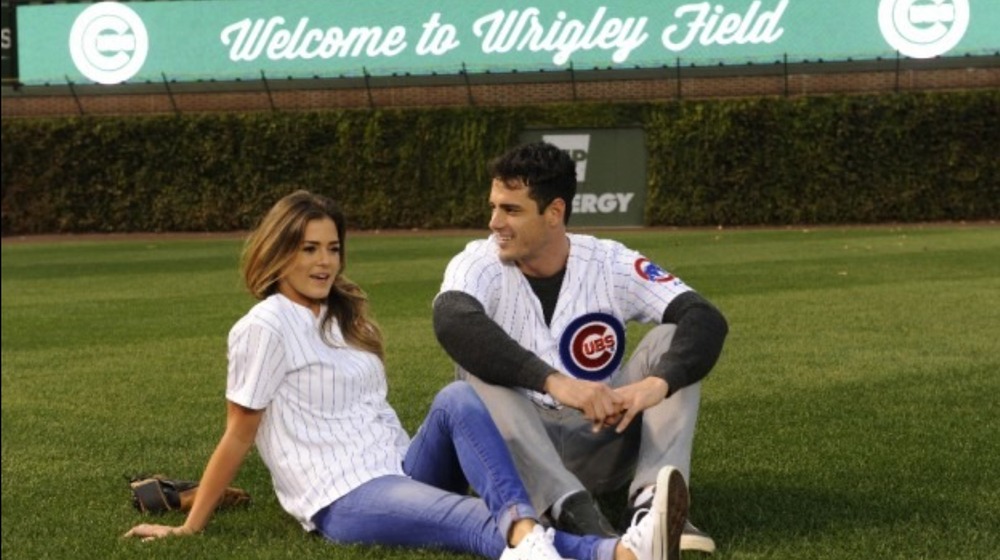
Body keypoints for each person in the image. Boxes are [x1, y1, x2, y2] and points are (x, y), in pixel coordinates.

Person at [123, 189, 690, 560]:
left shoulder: (339, 318)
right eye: (308, 250)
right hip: (344, 496)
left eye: (333, 249)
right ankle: (614, 553)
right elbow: (239, 434)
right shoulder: (264, 326)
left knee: (458, 396)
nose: (324, 262)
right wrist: (189, 526)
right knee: (471, 516)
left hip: (400, 467)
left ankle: (533, 531)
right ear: (279, 254)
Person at [432, 142, 728, 554]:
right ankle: (572, 509)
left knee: (671, 338)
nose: (494, 222)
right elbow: (452, 320)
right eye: (494, 206)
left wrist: (656, 385)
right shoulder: (479, 261)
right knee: (475, 368)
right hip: (520, 449)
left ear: (554, 212)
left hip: (602, 435)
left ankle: (649, 505)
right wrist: (554, 383)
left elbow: (704, 317)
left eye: (511, 210)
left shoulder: (608, 262)